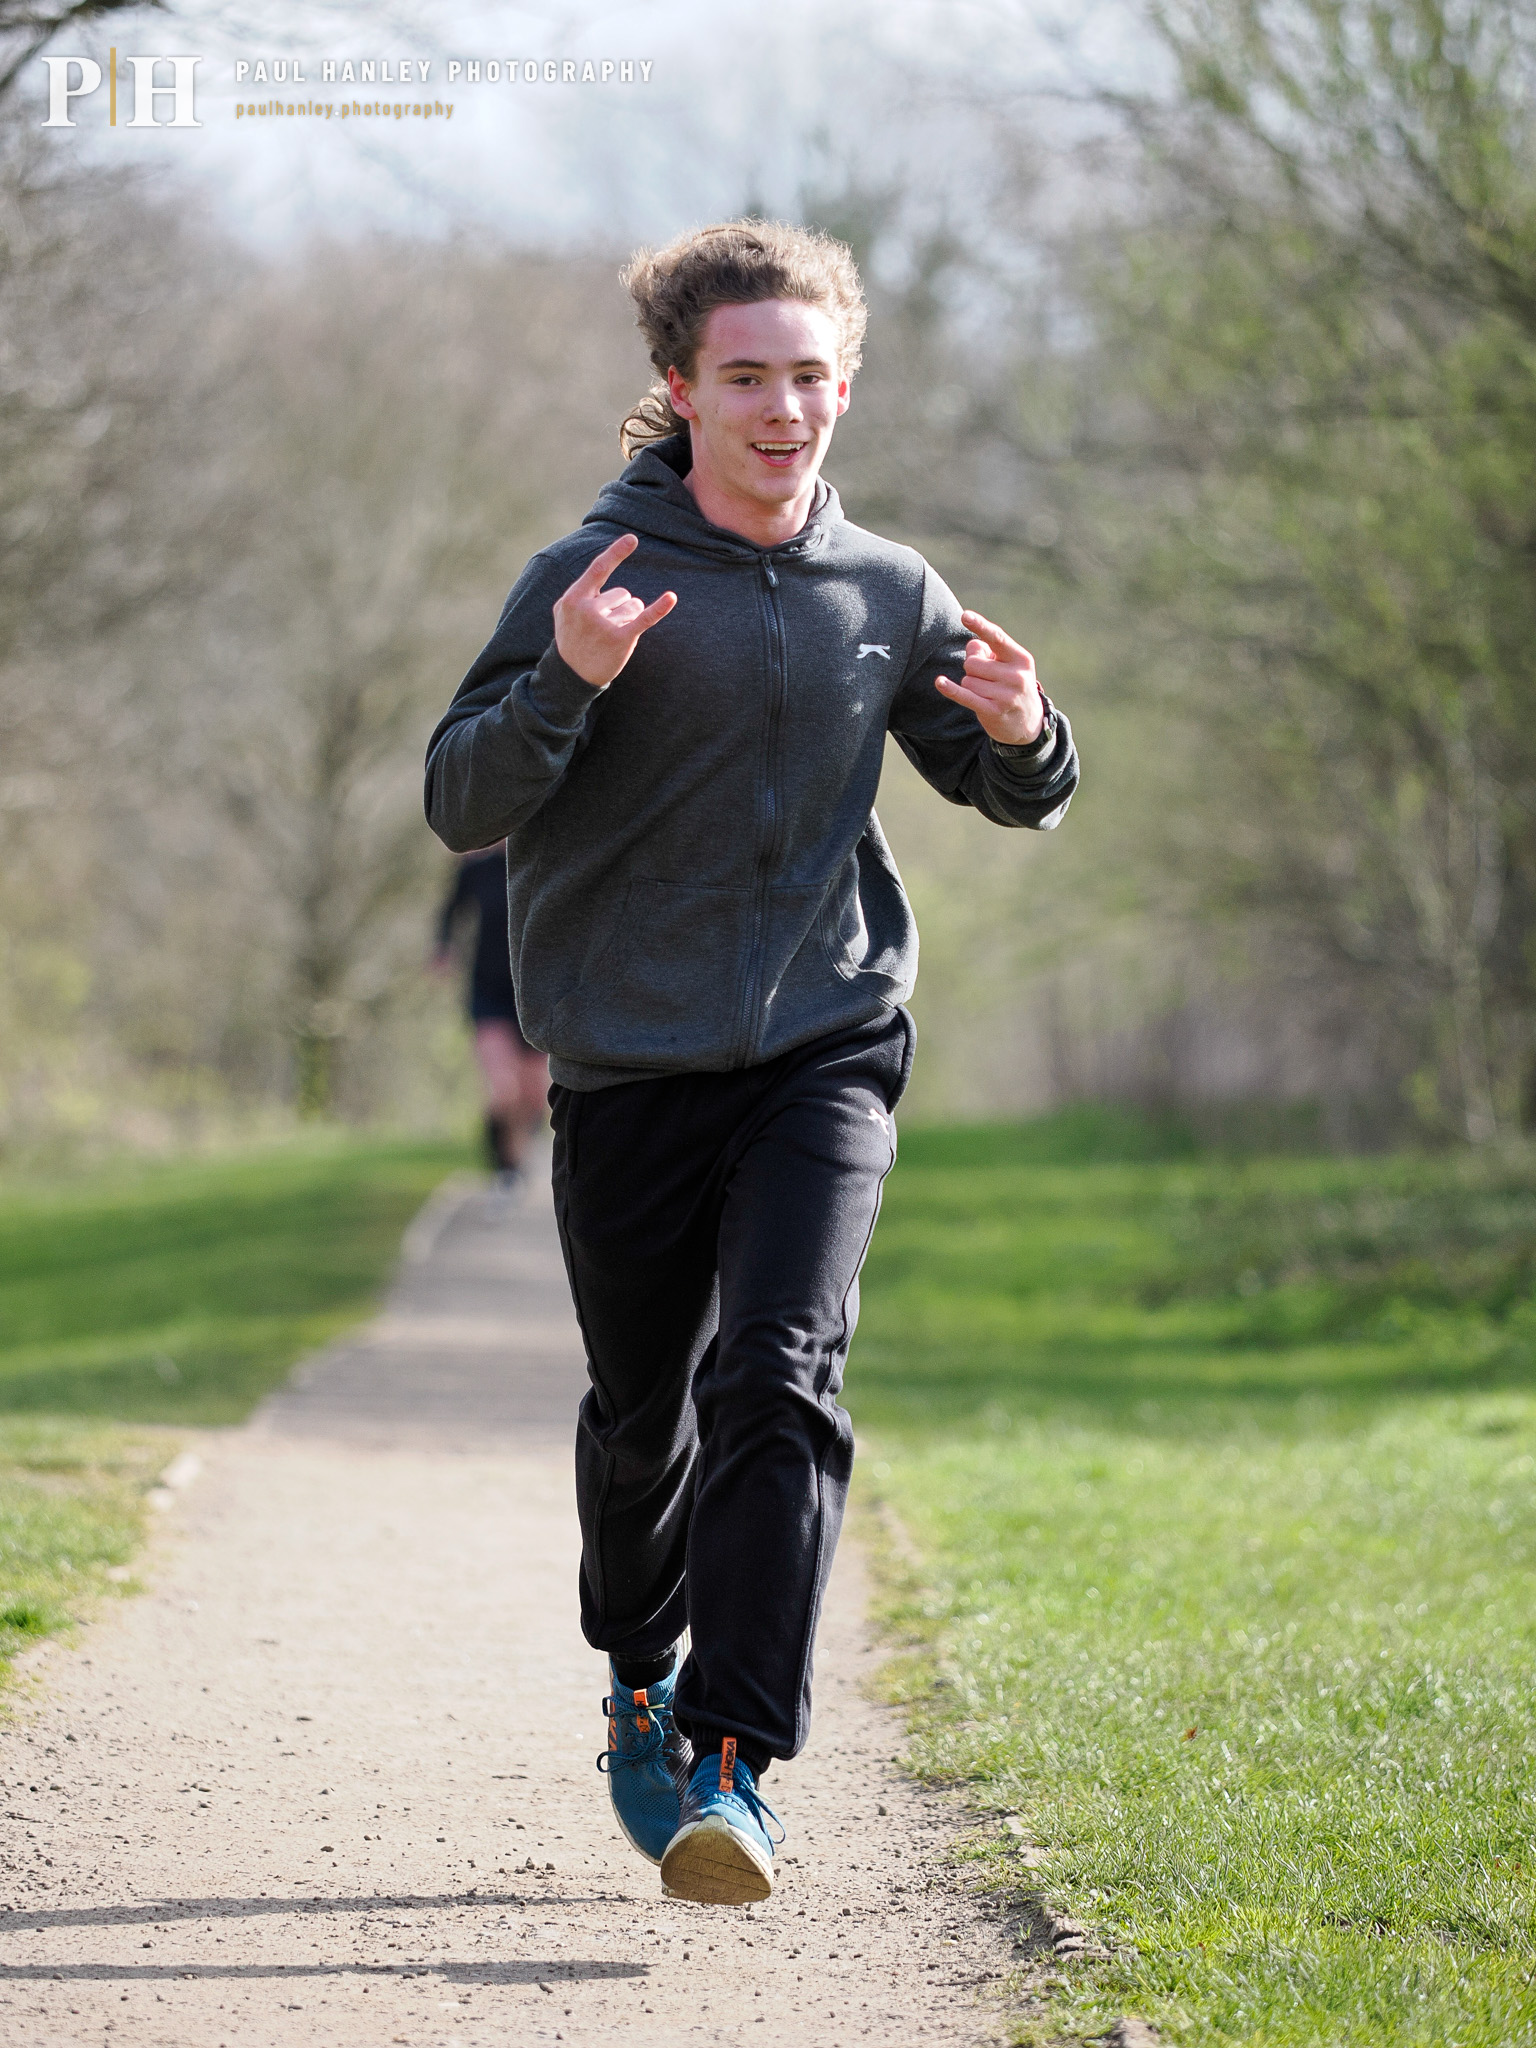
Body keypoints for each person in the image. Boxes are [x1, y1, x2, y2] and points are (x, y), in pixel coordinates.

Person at [424, 220, 1079, 1906]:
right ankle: (641, 1667)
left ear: (843, 385)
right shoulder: (591, 571)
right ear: (681, 390)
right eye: (746, 378)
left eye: (808, 377)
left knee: (780, 1372)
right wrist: (566, 680)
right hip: (631, 1062)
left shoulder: (888, 590)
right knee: (646, 1416)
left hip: (827, 1036)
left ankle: (730, 1756)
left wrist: (1024, 735)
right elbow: (462, 800)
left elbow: (1004, 793)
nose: (782, 408)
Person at [432, 841, 549, 1187]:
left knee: (535, 1094)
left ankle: (523, 1153)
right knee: (501, 1090)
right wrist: (442, 949)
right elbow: (450, 911)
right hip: (488, 993)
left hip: (532, 996)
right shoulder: (476, 870)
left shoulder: (542, 862)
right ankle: (504, 1170)